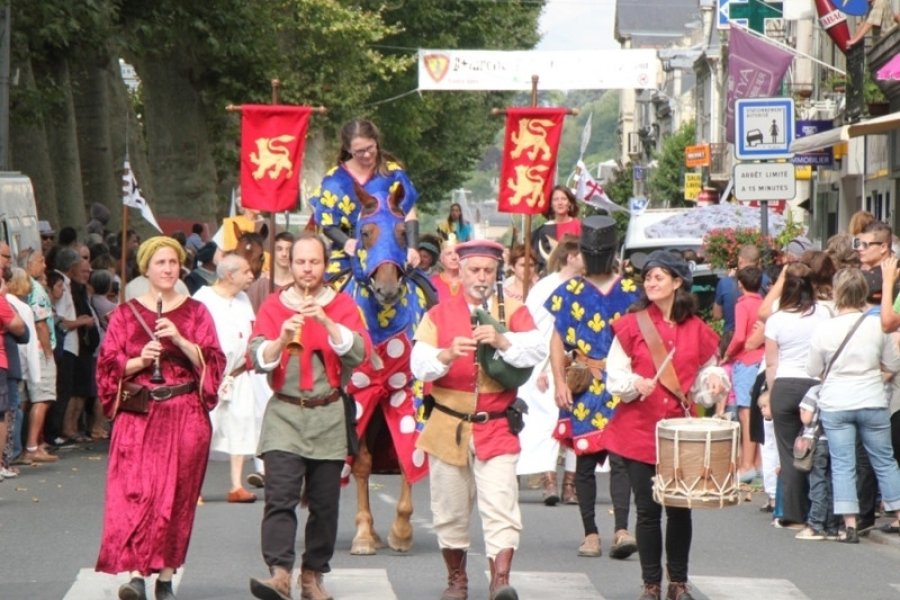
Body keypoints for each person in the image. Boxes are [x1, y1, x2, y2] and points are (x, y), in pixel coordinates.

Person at [411, 239, 545, 600]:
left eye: (488, 270)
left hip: (497, 423)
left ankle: (500, 580)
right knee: (449, 508)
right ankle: (457, 579)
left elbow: (537, 348)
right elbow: (418, 362)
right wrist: (446, 353)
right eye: (474, 270)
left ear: (496, 272)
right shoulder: (438, 314)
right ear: (460, 271)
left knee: (501, 505)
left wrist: (503, 342)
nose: (481, 277)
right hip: (447, 424)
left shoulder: (513, 310)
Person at [95, 236, 225, 600]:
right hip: (140, 417)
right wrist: (138, 359)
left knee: (178, 498)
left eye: (172, 262)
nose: (167, 269)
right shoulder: (123, 314)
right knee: (140, 493)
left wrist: (182, 341)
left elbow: (214, 364)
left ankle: (165, 577)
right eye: (160, 263)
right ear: (146, 268)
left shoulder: (197, 313)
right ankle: (137, 574)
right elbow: (105, 371)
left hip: (185, 416)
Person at [248, 232, 370, 600]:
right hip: (285, 413)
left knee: (324, 504)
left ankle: (312, 575)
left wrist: (329, 323)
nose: (306, 269)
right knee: (279, 497)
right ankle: (280, 573)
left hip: (328, 414)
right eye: (300, 262)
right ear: (290, 263)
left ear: (325, 264)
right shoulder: (273, 305)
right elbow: (255, 357)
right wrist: (281, 339)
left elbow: (360, 352)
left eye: (314, 262)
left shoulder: (344, 304)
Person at [605, 250, 727, 600]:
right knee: (647, 510)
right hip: (637, 429)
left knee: (679, 510)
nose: (652, 282)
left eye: (659, 277)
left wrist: (714, 383)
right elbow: (615, 374)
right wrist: (633, 384)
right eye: (648, 277)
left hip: (679, 434)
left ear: (677, 282)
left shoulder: (698, 330)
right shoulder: (631, 325)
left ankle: (678, 582)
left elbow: (706, 377)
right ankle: (650, 584)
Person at [546, 217, 640, 559]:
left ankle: (621, 529)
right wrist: (559, 380)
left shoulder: (632, 290)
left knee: (622, 459)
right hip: (585, 382)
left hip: (621, 385)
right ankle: (590, 533)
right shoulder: (569, 291)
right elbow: (557, 340)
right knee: (583, 461)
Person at [807, 267, 900, 543]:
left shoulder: (824, 329)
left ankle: (849, 523)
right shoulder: (876, 326)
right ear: (863, 293)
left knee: (843, 462)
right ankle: (898, 513)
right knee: (884, 460)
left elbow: (813, 368)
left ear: (836, 293)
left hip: (836, 401)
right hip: (872, 398)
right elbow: (893, 364)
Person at [764, 262, 831, 528]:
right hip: (814, 384)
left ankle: (793, 514)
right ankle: (820, 509)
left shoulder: (776, 319)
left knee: (789, 451)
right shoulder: (823, 314)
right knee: (819, 448)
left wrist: (771, 393)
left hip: (784, 384)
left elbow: (771, 363)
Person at [309, 119, 420, 278]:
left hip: (393, 253)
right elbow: (327, 223)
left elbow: (409, 212)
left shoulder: (393, 173)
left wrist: (413, 247)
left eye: (370, 148)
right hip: (348, 254)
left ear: (376, 142)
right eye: (360, 151)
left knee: (425, 293)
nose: (367, 154)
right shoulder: (333, 181)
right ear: (348, 149)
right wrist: (347, 242)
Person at [517, 235, 582, 506]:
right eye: (583, 254)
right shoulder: (546, 286)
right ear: (570, 257)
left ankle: (571, 484)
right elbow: (532, 328)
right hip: (544, 363)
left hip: (578, 365)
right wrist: (541, 367)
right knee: (546, 422)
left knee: (577, 424)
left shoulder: (585, 287)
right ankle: (549, 481)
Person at [194, 254, 258, 503]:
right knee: (204, 430)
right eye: (246, 271)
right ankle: (194, 486)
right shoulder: (202, 299)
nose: (251, 275)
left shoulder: (243, 299)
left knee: (241, 423)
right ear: (230, 275)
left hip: (239, 373)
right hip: (210, 374)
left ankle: (236, 484)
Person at [721, 266, 765, 481]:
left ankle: (746, 464)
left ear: (740, 284)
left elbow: (739, 336)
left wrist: (728, 355)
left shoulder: (743, 305)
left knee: (745, 413)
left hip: (746, 360)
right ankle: (758, 462)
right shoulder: (764, 304)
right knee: (759, 412)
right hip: (763, 360)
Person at [18, 248, 58, 463]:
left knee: (27, 399)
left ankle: (25, 444)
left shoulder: (20, 287)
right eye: (41, 262)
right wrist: (48, 353)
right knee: (42, 398)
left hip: (26, 349)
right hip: (41, 350)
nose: (45, 266)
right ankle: (32, 446)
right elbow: (41, 323)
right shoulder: (37, 290)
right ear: (30, 264)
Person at [533, 186, 582, 266]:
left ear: (570, 203)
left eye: (563, 199)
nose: (560, 203)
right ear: (551, 204)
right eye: (556, 199)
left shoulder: (579, 225)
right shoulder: (544, 229)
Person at [431, 235, 462, 302]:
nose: (454, 257)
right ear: (441, 258)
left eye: (457, 253)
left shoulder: (470, 281)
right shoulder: (432, 282)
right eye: (449, 254)